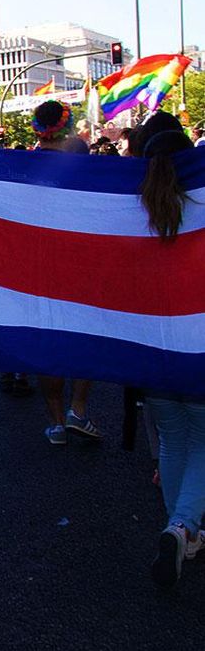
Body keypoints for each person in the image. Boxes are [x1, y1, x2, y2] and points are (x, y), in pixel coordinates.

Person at [129, 111, 205, 587]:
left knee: (175, 438)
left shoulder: (125, 209)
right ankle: (184, 526)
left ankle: (180, 528)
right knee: (202, 439)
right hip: (198, 345)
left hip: (151, 346)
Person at [30, 101, 102, 444]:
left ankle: (57, 422)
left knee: (47, 345)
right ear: (68, 124)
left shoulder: (24, 165)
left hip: (39, 267)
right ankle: (79, 408)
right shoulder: (81, 161)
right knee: (84, 333)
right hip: (80, 263)